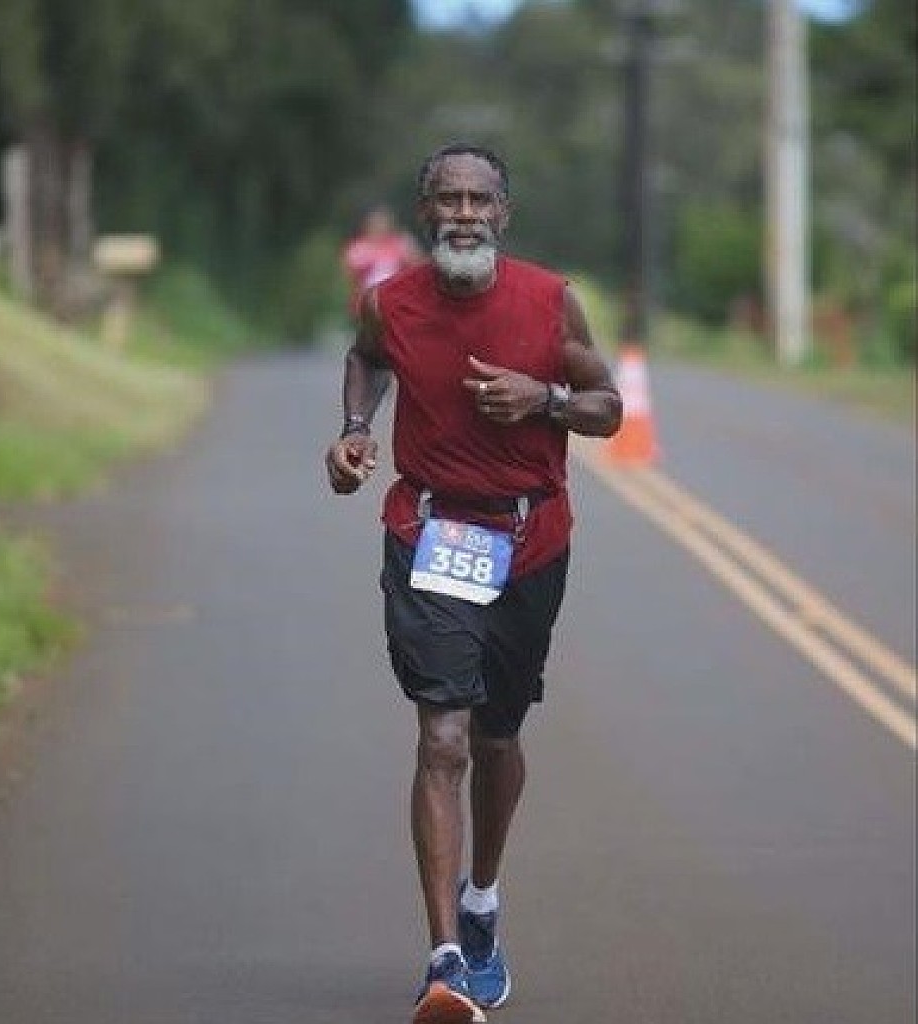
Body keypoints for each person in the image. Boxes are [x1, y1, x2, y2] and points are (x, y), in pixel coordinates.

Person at [325, 143, 623, 1024]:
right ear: (425, 213)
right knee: (442, 737)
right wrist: (353, 428)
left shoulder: (549, 300)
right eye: (447, 199)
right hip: (428, 532)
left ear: (502, 213)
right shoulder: (391, 302)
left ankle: (482, 898)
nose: (463, 213)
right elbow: (366, 357)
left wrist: (545, 399)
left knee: (496, 738)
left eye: (478, 200)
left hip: (530, 541)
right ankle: (444, 956)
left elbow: (607, 408)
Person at [341, 204, 421, 318]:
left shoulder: (401, 244)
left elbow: (417, 267)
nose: (380, 227)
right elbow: (349, 278)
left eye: (383, 223)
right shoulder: (358, 248)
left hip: (397, 302)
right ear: (367, 225)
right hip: (368, 304)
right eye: (376, 223)